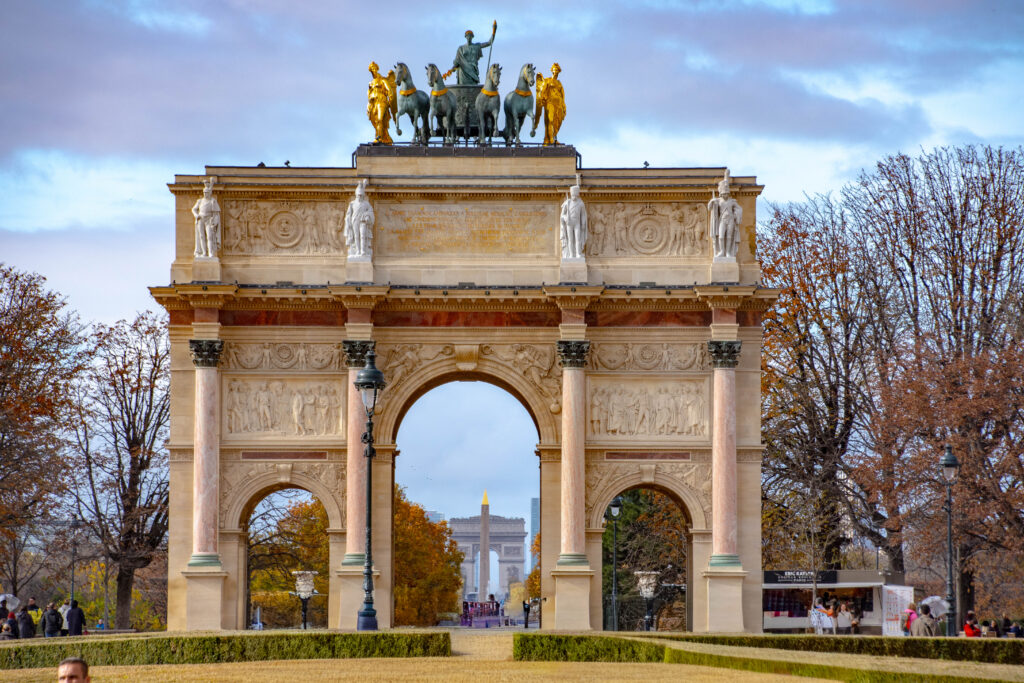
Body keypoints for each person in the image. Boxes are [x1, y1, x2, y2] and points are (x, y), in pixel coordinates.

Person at [532, 63, 566, 146]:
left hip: (558, 104)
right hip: (549, 103)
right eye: (555, 71)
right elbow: (542, 90)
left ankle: (551, 138)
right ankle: (550, 139)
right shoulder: (547, 80)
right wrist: (542, 98)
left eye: (557, 71)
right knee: (550, 120)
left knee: (556, 122)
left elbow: (562, 95)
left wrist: (563, 105)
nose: (556, 72)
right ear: (552, 71)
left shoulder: (559, 83)